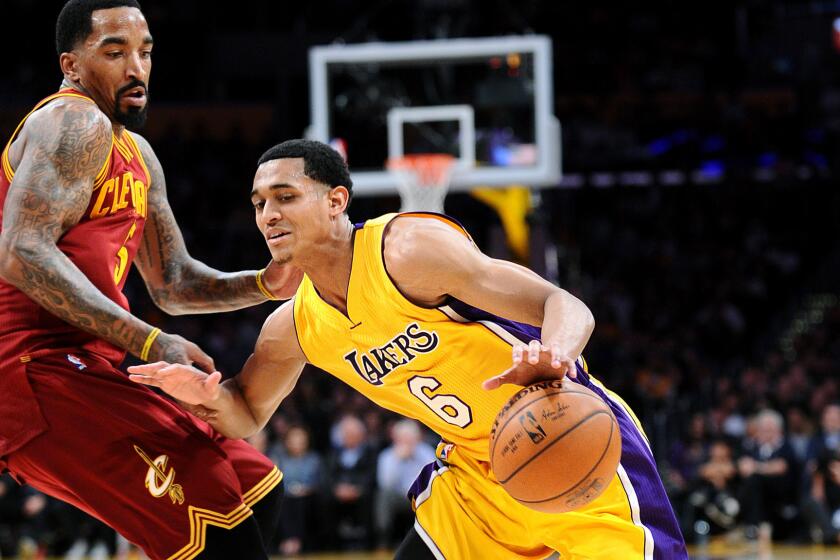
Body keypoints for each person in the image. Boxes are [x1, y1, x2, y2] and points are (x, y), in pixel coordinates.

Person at [129, 139, 688, 559]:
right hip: (474, 480)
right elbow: (245, 413)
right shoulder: (292, 327)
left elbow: (566, 305)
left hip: (568, 439)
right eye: (258, 203)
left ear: (336, 201)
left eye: (285, 197)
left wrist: (556, 356)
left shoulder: (408, 251)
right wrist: (200, 395)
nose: (268, 215)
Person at [0, 2, 301, 559]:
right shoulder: (71, 120)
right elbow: (20, 251)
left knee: (258, 489)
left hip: (88, 365)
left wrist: (265, 283)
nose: (135, 67)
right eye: (114, 52)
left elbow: (174, 284)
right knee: (219, 526)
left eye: (145, 52)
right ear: (71, 64)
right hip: (30, 370)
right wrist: (149, 340)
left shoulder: (136, 152)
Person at [375, 420, 436, 549]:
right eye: (403, 438)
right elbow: (386, 484)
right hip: (398, 497)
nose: (407, 441)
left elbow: (433, 479)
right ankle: (383, 537)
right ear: (396, 438)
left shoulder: (426, 452)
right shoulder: (387, 456)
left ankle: (432, 541)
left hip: (421, 496)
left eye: (410, 437)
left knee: (437, 495)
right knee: (383, 496)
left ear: (416, 438)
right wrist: (398, 460)